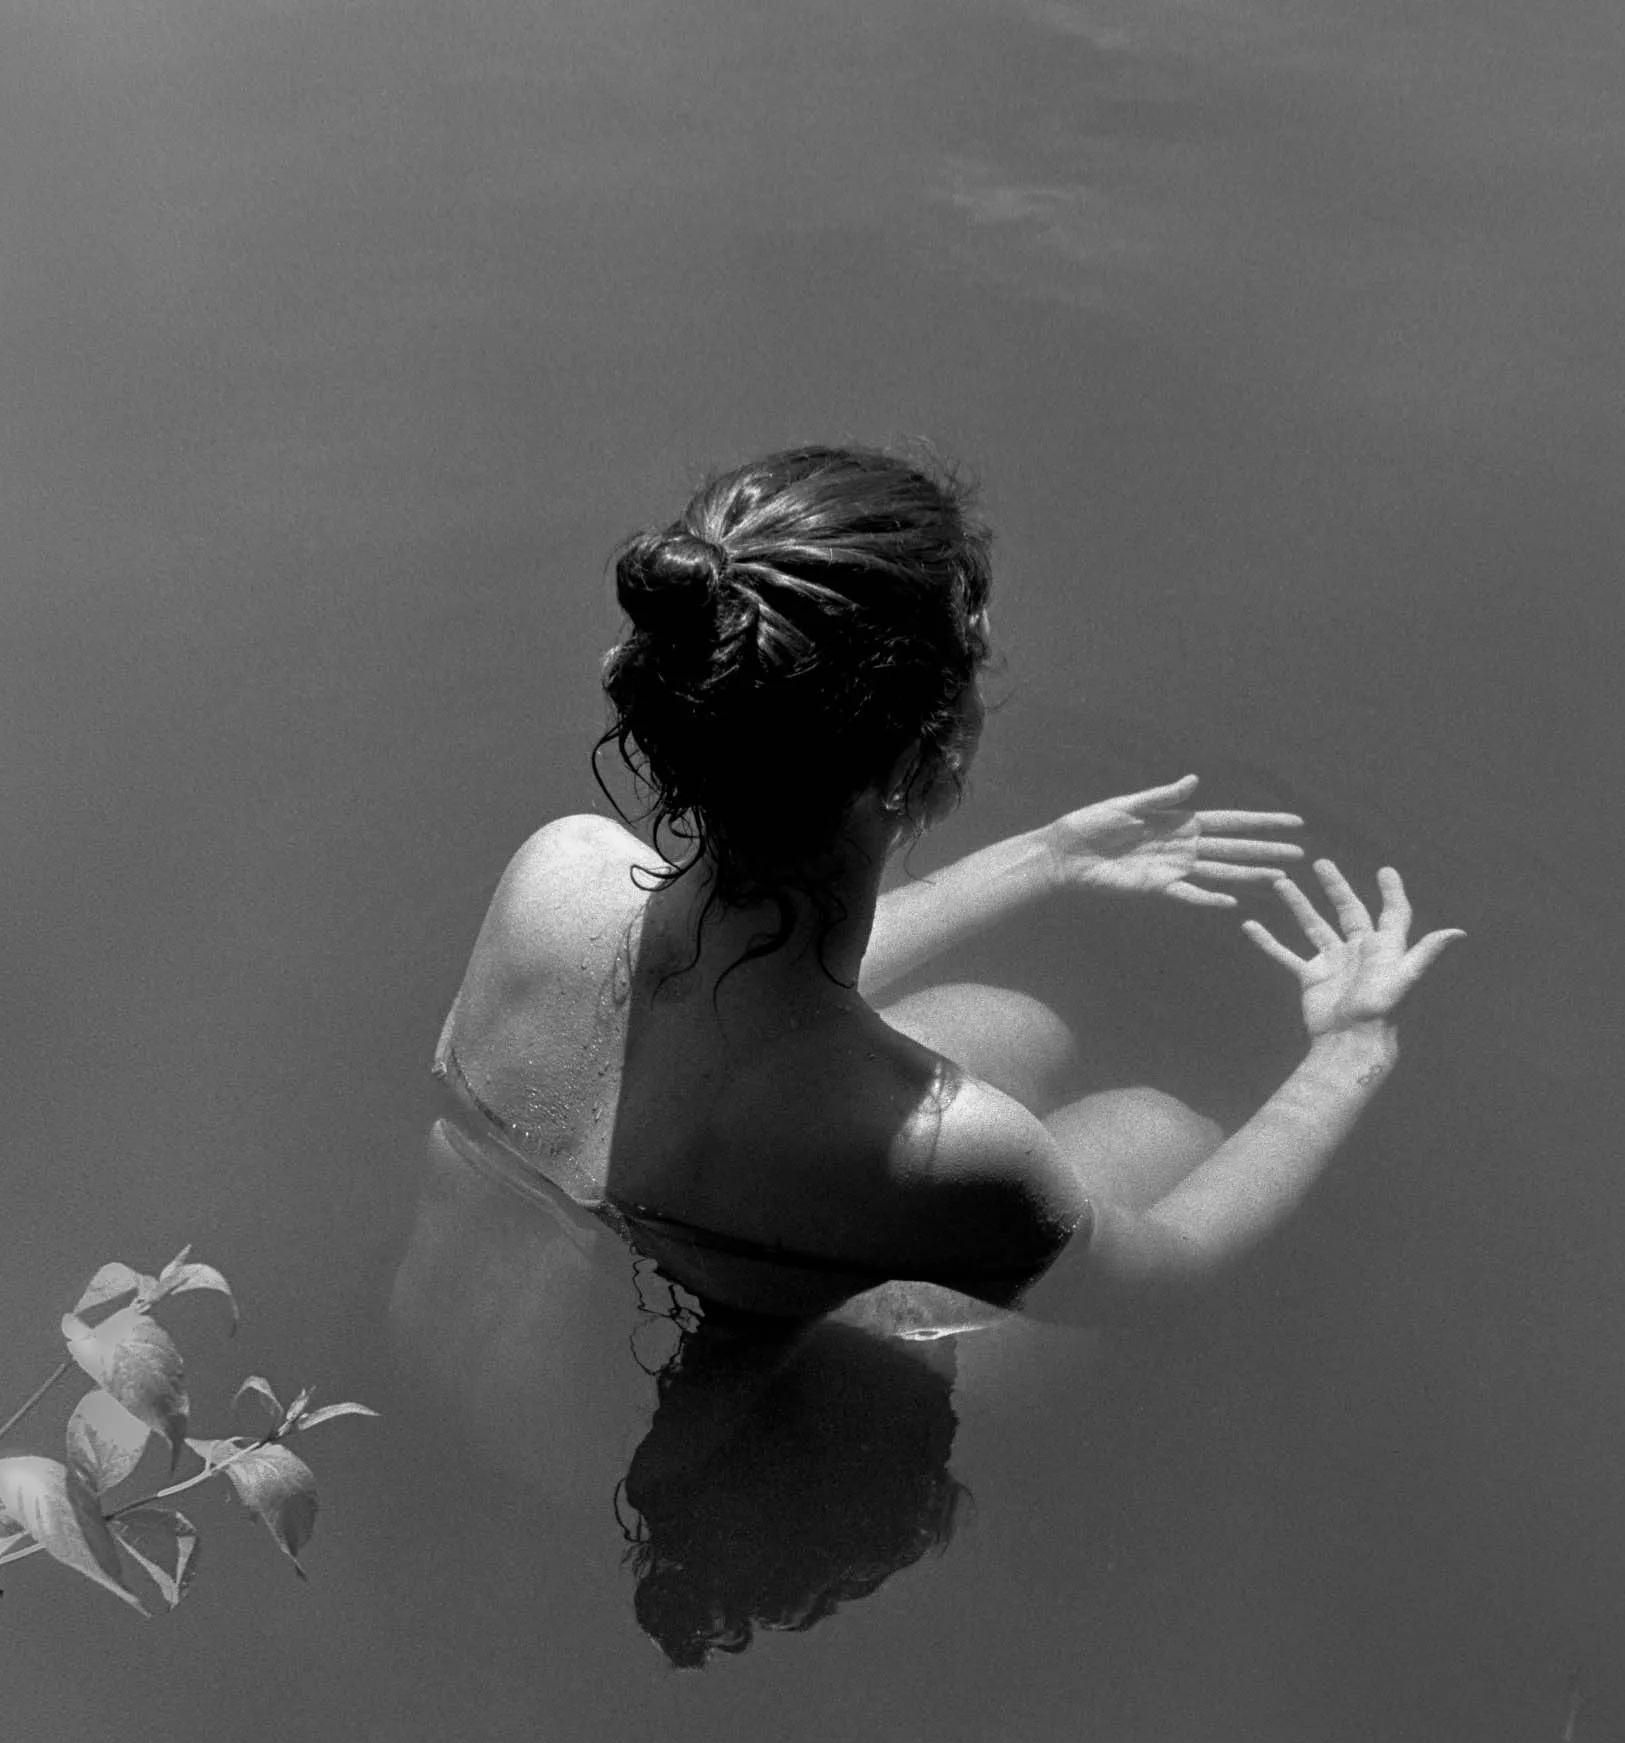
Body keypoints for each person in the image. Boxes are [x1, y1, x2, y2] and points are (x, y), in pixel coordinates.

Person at [435, 443, 1463, 1324]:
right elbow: (1164, 1276)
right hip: (652, 1439)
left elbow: (752, 1002)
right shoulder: (951, 1154)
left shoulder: (556, 869)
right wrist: (1345, 1052)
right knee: (1157, 1127)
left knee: (1007, 1022)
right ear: (934, 755)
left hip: (466, 1320)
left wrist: (1041, 859)